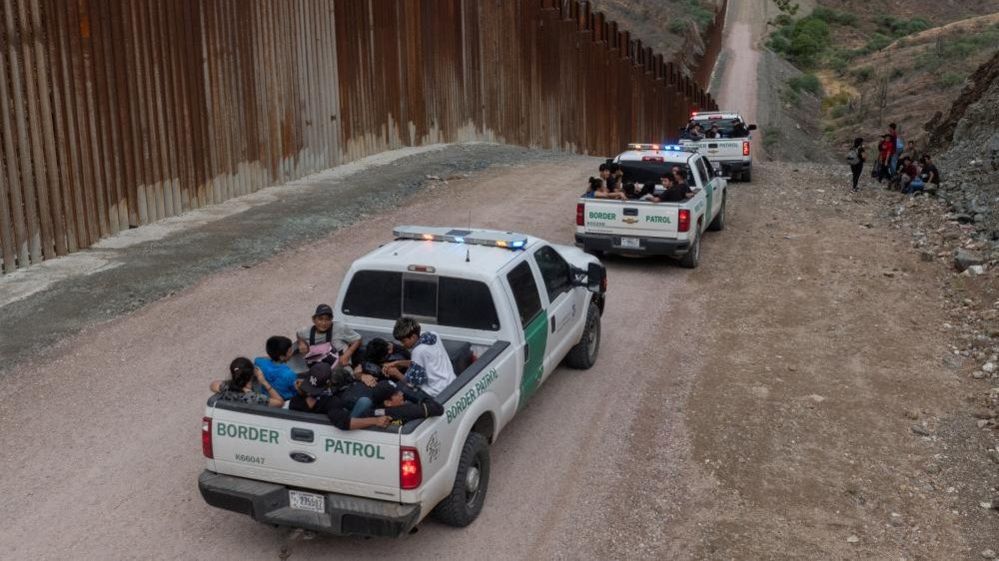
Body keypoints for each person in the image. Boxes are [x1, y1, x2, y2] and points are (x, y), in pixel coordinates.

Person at [288, 363, 391, 430]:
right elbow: (346, 423)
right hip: (335, 421)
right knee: (365, 401)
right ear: (329, 383)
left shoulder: (297, 395)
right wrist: (376, 421)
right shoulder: (330, 402)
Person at [393, 317, 456, 398]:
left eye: (403, 341)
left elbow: (413, 383)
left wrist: (395, 373)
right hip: (451, 382)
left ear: (413, 337)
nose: (402, 344)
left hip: (436, 393)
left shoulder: (418, 351)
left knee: (399, 388)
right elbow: (421, 363)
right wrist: (398, 363)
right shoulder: (433, 335)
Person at [296, 304, 361, 368]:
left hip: (341, 366)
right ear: (313, 319)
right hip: (318, 368)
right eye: (320, 319)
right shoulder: (306, 331)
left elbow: (358, 339)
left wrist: (346, 355)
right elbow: (298, 334)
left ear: (331, 320)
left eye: (327, 319)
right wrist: (301, 342)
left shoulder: (339, 327)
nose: (324, 323)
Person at [210, 357, 284, 407]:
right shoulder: (255, 398)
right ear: (252, 373)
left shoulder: (226, 388)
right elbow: (280, 402)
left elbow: (213, 385)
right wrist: (264, 382)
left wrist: (234, 381)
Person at [369, 384, 444, 425]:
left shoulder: (370, 413)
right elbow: (439, 409)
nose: (401, 394)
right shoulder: (405, 411)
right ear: (388, 403)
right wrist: (423, 400)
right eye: (396, 394)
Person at [254, 336, 299, 400]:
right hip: (284, 399)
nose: (292, 352)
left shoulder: (259, 362)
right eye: (290, 351)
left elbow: (259, 360)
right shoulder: (289, 374)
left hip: (266, 397)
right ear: (282, 357)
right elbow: (295, 391)